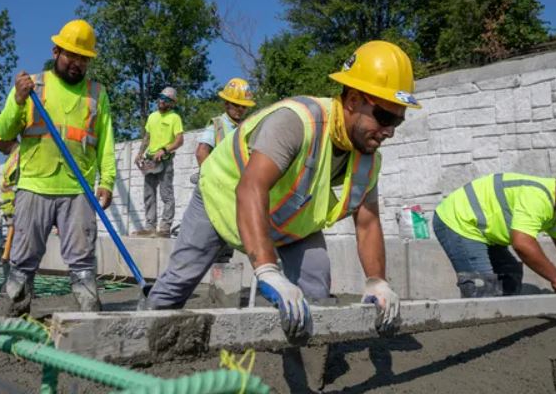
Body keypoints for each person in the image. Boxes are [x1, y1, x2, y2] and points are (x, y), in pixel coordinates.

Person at [145, 41, 420, 338]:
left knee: (316, 285)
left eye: (398, 121)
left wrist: (377, 280)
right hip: (222, 199)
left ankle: (307, 367)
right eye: (385, 117)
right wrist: (266, 269)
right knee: (179, 281)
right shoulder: (298, 121)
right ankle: (136, 345)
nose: (390, 130)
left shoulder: (367, 160)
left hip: (288, 220)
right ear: (353, 99)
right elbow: (251, 188)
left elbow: (368, 223)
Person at [0, 19, 116, 316]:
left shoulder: (97, 93)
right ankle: (15, 315)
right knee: (23, 259)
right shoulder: (31, 87)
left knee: (83, 260)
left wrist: (108, 180)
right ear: (56, 51)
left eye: (83, 58)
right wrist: (18, 101)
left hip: (79, 188)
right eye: (71, 55)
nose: (76, 63)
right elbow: (4, 131)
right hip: (35, 185)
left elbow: (106, 141)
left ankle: (90, 318)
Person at [433, 164, 556, 308]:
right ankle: (478, 330)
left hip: (483, 229)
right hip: (459, 221)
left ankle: (497, 322)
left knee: (511, 274)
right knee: (482, 289)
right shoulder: (537, 197)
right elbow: (522, 244)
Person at [133, 87, 184, 238]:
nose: (162, 100)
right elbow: (147, 137)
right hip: (150, 160)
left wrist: (165, 150)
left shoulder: (175, 118)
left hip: (165, 161)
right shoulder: (152, 117)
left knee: (166, 194)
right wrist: (140, 153)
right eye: (161, 97)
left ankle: (165, 228)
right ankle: (150, 227)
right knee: (148, 194)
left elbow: (179, 140)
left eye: (166, 99)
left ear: (172, 103)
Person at [193, 77, 256, 176]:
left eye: (244, 106)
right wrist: (209, 177)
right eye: (236, 104)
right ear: (226, 104)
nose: (240, 109)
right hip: (218, 183)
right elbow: (201, 153)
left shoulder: (246, 127)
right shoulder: (217, 125)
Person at [0, 125, 19, 248]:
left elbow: (20, 185)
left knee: (9, 247)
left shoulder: (18, 156)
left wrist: (8, 190)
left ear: (6, 138)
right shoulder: (12, 157)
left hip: (16, 214)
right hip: (10, 214)